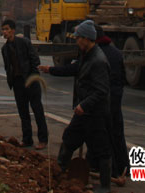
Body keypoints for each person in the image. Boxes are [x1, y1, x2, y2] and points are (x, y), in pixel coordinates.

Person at [39, 19, 111, 193]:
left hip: (95, 114)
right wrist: (51, 70)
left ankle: (105, 186)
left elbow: (101, 91)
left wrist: (84, 105)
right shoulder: (86, 56)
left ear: (87, 38)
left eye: (78, 38)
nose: (77, 41)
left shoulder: (98, 60)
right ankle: (60, 170)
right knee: (70, 138)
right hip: (83, 113)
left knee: (101, 149)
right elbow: (74, 69)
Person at [1, 17, 48, 149]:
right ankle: (27, 140)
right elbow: (7, 67)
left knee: (37, 110)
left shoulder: (24, 43)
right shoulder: (4, 49)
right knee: (23, 113)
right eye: (3, 30)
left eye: (6, 29)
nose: (4, 32)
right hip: (17, 83)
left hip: (31, 81)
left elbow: (35, 60)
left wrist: (32, 76)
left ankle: (43, 140)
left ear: (13, 31)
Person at [90, 25, 128, 185]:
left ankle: (109, 170)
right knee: (118, 133)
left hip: (103, 99)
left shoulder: (96, 54)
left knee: (104, 135)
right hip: (116, 97)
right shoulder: (116, 53)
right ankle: (125, 166)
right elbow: (124, 77)